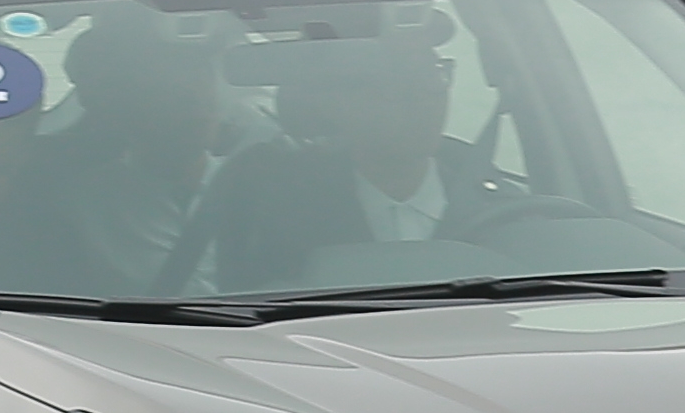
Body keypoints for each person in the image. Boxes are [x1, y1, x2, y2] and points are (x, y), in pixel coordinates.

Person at [187, 18, 527, 286]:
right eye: (386, 81)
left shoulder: (507, 210)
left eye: (429, 75)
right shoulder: (267, 212)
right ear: (331, 102)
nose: (417, 97)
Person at [14, 10, 235, 296]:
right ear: (117, 106)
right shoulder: (81, 206)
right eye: (171, 88)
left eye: (201, 78)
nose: (197, 100)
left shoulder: (261, 183)